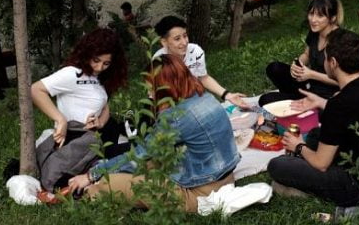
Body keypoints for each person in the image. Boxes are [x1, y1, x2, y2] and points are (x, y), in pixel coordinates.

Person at [67, 54, 240, 213]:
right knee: (148, 163)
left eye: (152, 88)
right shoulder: (205, 97)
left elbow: (140, 155)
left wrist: (91, 175)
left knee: (109, 183)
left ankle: (86, 192)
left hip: (201, 193)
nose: (149, 94)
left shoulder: (175, 116)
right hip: (223, 177)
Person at [267, 29, 359, 207]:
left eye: (326, 58)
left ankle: (311, 190)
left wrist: (298, 146)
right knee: (315, 134)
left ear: (333, 62)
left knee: (277, 165)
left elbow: (321, 163)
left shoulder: (338, 105)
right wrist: (320, 101)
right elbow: (354, 110)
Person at [31, 28, 128, 191]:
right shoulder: (72, 73)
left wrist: (100, 121)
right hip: (77, 138)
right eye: (96, 60)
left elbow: (105, 106)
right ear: (87, 53)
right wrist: (60, 119)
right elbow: (36, 90)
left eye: (106, 63)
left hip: (97, 134)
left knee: (134, 151)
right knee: (133, 153)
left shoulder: (98, 78)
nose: (99, 67)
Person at [259, 0, 342, 106]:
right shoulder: (315, 32)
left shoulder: (341, 40)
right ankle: (290, 96)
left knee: (265, 100)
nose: (313, 20)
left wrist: (312, 74)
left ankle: (293, 99)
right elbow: (306, 54)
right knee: (274, 68)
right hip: (309, 84)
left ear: (332, 18)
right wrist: (297, 64)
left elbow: (343, 81)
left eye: (320, 16)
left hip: (325, 94)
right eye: (311, 14)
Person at [153, 15, 250, 109]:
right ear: (164, 42)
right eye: (177, 39)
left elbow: (203, 77)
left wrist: (227, 95)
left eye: (185, 36)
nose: (184, 42)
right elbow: (156, 95)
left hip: (195, 97)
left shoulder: (195, 51)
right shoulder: (158, 61)